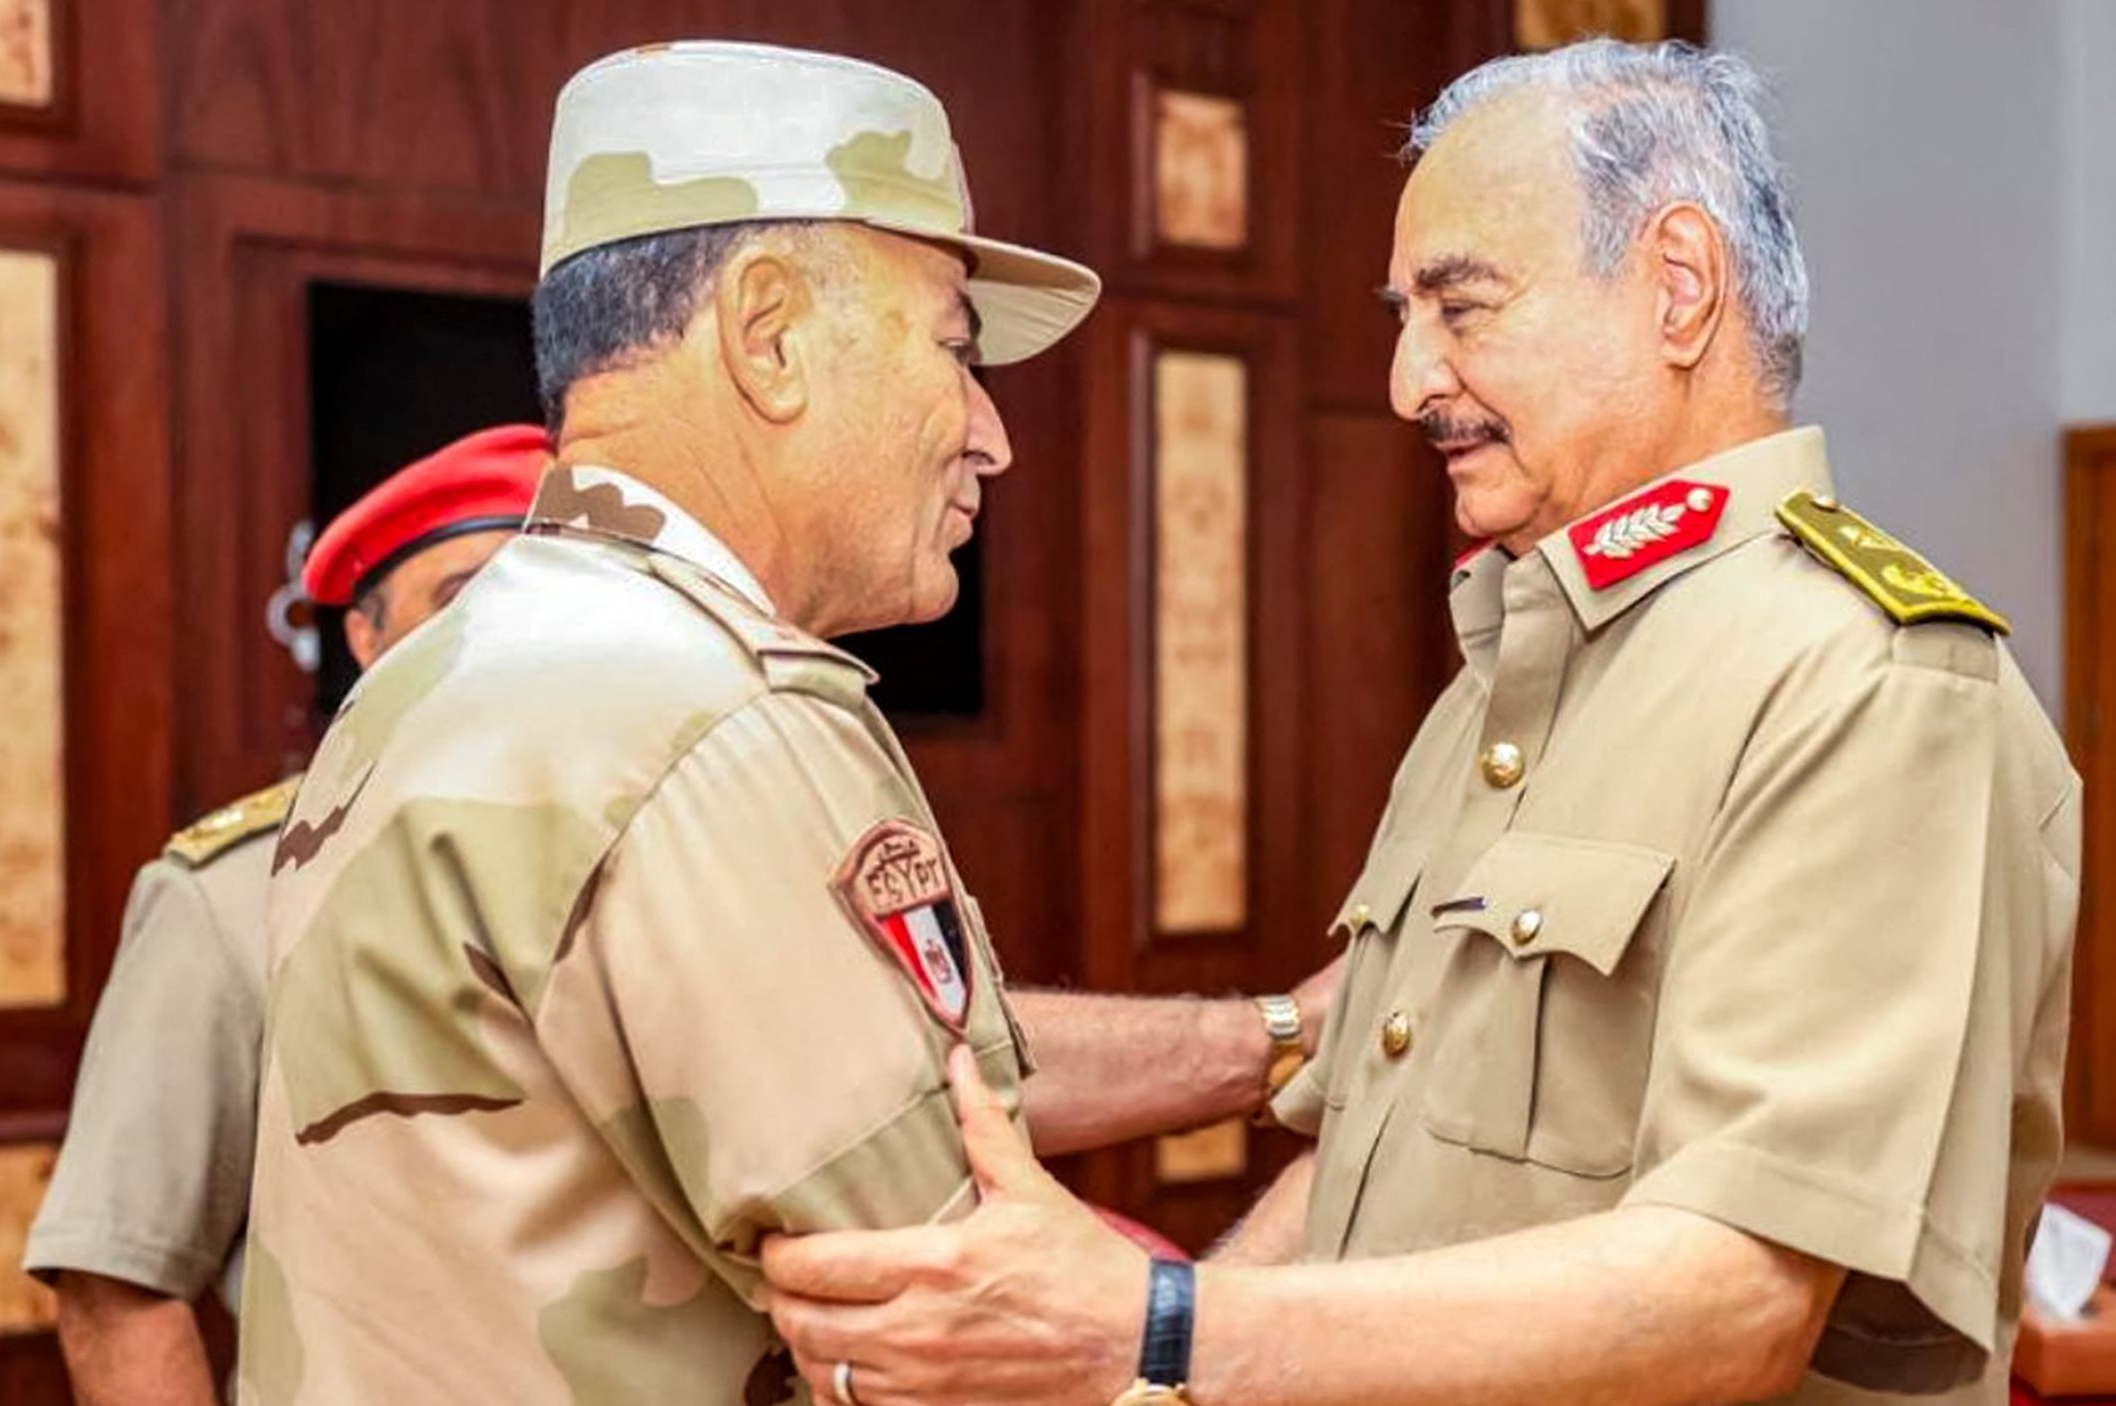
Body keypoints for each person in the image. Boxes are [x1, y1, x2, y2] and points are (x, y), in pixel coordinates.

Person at [762, 38, 2081, 1406]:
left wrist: (1158, 1322)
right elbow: (1360, 1161)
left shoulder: (1864, 682)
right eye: (1404, 316)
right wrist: (1158, 1388)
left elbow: (1734, 1298)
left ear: (1679, 288)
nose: (1408, 380)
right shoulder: (1510, 668)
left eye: (1463, 307)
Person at [236, 43, 1334, 1405]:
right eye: (954, 347)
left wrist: (1280, 1038)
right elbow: (968, 1345)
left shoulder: (442, 669)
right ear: (767, 334)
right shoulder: (712, 719)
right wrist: (1326, 1239)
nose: (990, 430)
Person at [23, 423, 552, 1406]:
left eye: (552, 596)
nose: (512, 635)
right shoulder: (236, 894)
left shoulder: (667, 851)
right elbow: (118, 1289)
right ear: (366, 633)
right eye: (463, 596)